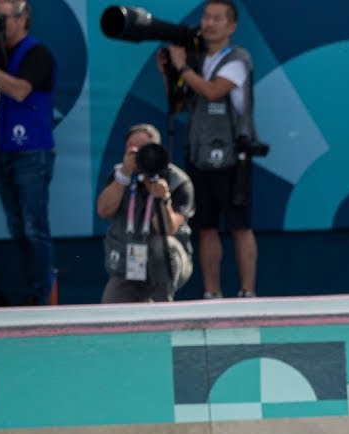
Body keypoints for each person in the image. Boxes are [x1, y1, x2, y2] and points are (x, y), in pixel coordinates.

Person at [161, 0, 259, 299]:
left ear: (231, 27)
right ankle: (211, 292)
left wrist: (182, 67)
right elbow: (179, 104)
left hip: (232, 154)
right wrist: (170, 73)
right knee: (205, 226)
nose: (209, 23)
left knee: (239, 225)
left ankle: (247, 292)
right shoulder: (196, 59)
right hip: (199, 153)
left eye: (217, 19)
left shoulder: (238, 59)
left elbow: (214, 90)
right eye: (206, 17)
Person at [0, 1, 56, 305]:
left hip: (31, 151)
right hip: (5, 149)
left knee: (34, 228)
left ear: (22, 20)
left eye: (1, 18)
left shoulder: (37, 53)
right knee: (17, 228)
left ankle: (43, 296)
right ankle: (33, 293)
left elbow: (20, 90)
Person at [96, 124, 194, 303]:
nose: (139, 154)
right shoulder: (119, 175)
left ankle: (162, 304)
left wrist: (163, 199)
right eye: (132, 149)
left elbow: (167, 230)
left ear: (157, 150)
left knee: (161, 245)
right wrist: (124, 175)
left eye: (144, 149)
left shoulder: (178, 181)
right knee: (109, 314)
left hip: (169, 264)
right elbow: (103, 211)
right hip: (129, 266)